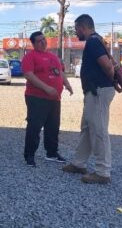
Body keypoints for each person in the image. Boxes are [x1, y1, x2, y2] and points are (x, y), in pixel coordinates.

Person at [62, 14, 115, 184]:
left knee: (98, 130)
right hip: (94, 92)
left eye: (76, 29)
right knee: (87, 128)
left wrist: (108, 79)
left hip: (98, 91)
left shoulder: (92, 41)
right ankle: (79, 163)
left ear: (83, 27)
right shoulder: (97, 40)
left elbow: (107, 65)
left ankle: (103, 172)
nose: (76, 32)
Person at [21, 31, 73, 167]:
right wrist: (46, 88)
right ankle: (29, 155)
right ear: (33, 43)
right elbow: (29, 75)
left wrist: (67, 84)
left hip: (55, 98)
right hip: (36, 97)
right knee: (35, 127)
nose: (43, 42)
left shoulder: (52, 56)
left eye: (43, 39)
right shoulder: (30, 56)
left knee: (53, 127)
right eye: (39, 41)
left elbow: (59, 72)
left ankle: (52, 153)